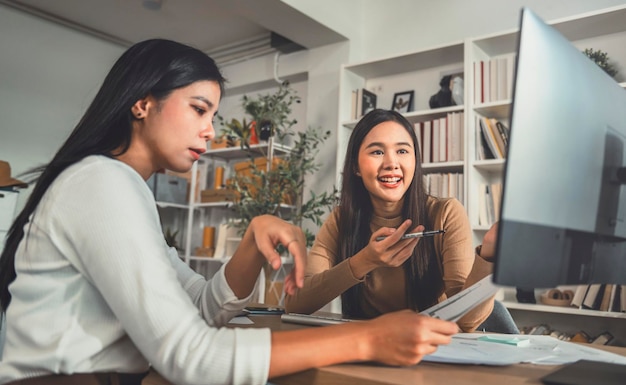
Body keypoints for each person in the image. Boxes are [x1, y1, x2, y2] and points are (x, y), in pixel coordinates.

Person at [0, 40, 458, 385]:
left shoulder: (127, 191)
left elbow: (200, 307)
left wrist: (251, 246)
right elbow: (192, 355)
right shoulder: (98, 183)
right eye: (199, 110)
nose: (210, 132)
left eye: (214, 116)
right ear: (141, 103)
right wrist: (369, 338)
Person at [285, 108, 496, 332]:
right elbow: (295, 304)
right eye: (377, 152)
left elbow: (466, 321)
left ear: (415, 161)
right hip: (364, 350)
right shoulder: (341, 219)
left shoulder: (445, 213)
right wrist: (364, 261)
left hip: (429, 352)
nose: (391, 163)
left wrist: (489, 255)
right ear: (356, 166)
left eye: (403, 151)